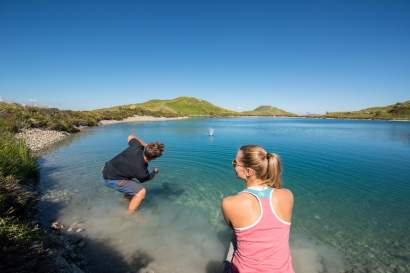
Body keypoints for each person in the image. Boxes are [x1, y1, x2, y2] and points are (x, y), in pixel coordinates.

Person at [221, 145, 294, 273]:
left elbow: (232, 226)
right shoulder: (287, 195)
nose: (233, 166)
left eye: (235, 163)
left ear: (249, 171)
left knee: (234, 238)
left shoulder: (229, 203)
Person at [102, 134, 164, 214]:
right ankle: (129, 215)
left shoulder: (136, 147)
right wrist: (154, 172)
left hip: (106, 169)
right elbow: (147, 178)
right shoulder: (141, 171)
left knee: (130, 179)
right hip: (109, 179)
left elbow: (131, 136)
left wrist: (145, 145)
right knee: (141, 191)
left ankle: (125, 200)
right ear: (154, 158)